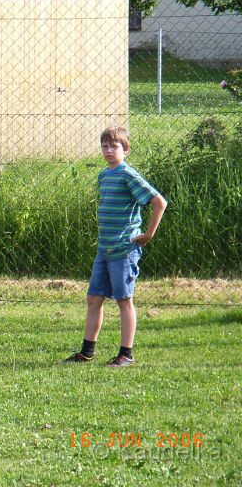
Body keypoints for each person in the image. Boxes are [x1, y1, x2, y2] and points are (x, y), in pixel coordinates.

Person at [64, 126, 167, 367]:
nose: (109, 151)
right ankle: (87, 351)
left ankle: (126, 354)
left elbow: (159, 202)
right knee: (93, 298)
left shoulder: (128, 175)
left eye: (114, 146)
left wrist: (148, 234)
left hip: (124, 250)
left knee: (123, 300)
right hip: (104, 249)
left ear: (126, 150)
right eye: (105, 146)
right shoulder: (104, 175)